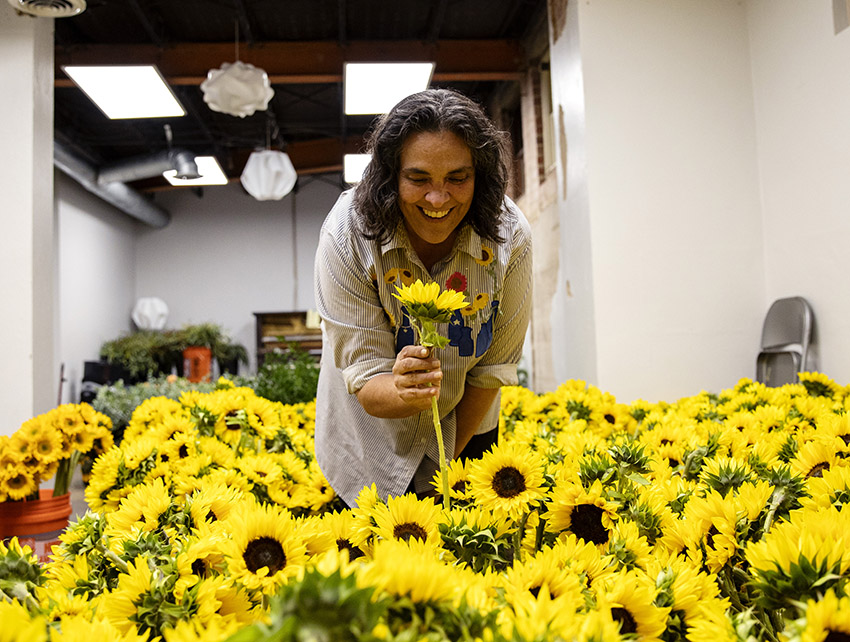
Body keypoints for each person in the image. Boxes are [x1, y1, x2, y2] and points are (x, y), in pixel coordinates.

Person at [314, 88, 532, 507]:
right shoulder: (347, 235)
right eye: (418, 179)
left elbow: (492, 370)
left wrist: (442, 473)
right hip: (367, 437)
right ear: (390, 177)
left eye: (457, 178)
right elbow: (367, 378)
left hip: (466, 424)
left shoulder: (510, 236)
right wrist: (402, 389)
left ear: (479, 176)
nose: (437, 198)